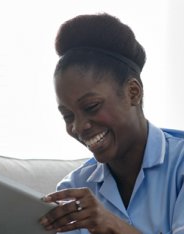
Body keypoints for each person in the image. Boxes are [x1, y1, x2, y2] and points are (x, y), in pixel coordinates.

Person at [40, 13, 184, 233]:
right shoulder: (73, 188)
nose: (78, 127)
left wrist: (112, 225)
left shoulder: (179, 165)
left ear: (132, 92)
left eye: (91, 107)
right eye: (68, 116)